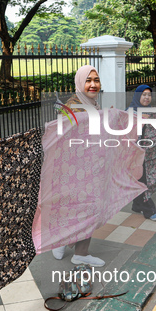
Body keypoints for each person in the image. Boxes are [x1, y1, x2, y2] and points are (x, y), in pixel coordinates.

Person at [51, 65, 107, 267]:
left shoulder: (93, 103)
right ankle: (79, 252)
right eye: (88, 80)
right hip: (76, 170)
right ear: (79, 83)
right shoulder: (73, 106)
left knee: (85, 209)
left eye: (96, 80)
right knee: (84, 209)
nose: (93, 84)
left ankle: (65, 241)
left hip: (92, 167)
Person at [127, 85, 156, 220]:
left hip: (148, 154)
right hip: (135, 154)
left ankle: (137, 205)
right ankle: (150, 210)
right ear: (137, 96)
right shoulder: (131, 112)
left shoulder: (150, 111)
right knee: (142, 181)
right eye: (144, 95)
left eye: (149, 95)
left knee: (140, 179)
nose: (147, 98)